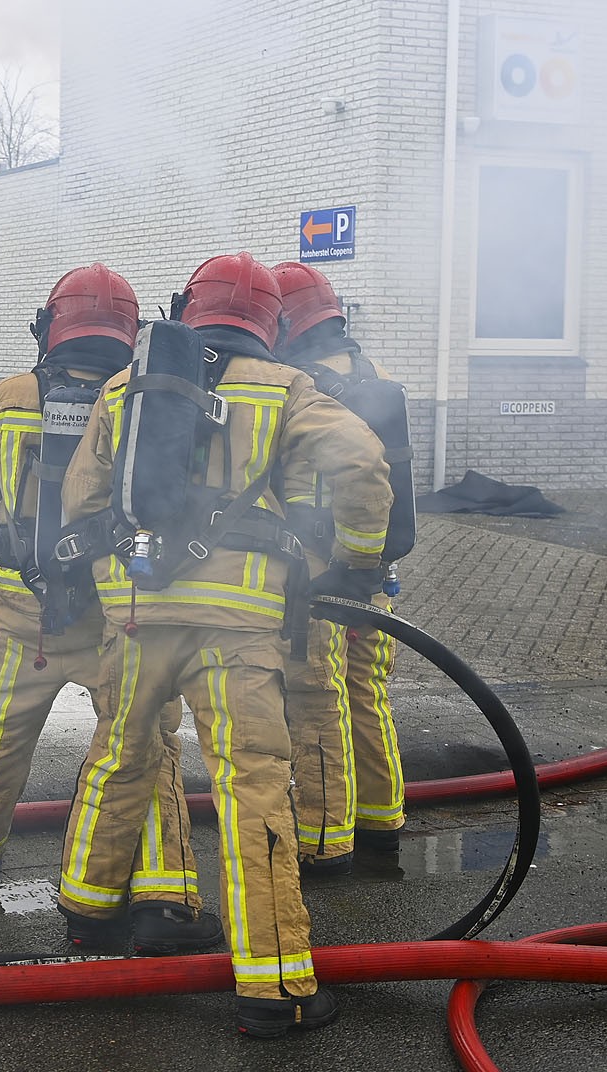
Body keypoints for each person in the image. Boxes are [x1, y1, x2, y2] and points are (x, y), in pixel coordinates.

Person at [53, 252, 391, 1037]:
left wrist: (106, 586)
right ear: (269, 323)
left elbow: (83, 499)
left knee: (120, 753)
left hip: (136, 611)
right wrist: (359, 559)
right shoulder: (286, 388)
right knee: (252, 784)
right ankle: (275, 987)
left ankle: (90, 911)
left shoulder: (124, 385)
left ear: (190, 307)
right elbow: (364, 460)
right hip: (237, 628)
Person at [0, 263, 222, 956]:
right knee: (142, 747)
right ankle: (161, 899)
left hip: (23, 611)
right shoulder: (145, 395)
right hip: (121, 615)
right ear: (130, 328)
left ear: (49, 327)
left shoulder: (10, 395)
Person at [273, 261, 408, 866]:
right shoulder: (377, 377)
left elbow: (289, 485)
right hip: (374, 573)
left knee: (314, 699)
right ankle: (381, 826)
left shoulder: (295, 386)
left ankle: (326, 841)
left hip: (316, 573)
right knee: (366, 694)